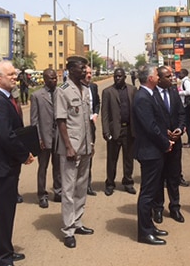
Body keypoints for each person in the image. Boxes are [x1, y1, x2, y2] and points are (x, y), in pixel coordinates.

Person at [0, 60, 35, 266]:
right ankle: (0, 257)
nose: (15, 77)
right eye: (11, 75)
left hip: (9, 165)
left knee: (8, 211)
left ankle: (6, 249)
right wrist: (24, 155)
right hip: (2, 166)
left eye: (15, 74)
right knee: (2, 213)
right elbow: (6, 136)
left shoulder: (7, 98)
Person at [55, 56, 95, 249]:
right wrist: (69, 147)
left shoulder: (86, 89)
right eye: (81, 67)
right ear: (70, 69)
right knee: (69, 190)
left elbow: (86, 121)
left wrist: (91, 143)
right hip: (71, 148)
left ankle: (78, 222)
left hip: (86, 146)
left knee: (81, 187)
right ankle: (68, 229)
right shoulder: (62, 91)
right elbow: (61, 121)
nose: (84, 70)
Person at [132, 65, 173, 245]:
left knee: (152, 190)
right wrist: (165, 143)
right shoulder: (142, 98)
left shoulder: (150, 94)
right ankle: (144, 232)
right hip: (149, 152)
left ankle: (149, 226)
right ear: (150, 78)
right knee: (147, 193)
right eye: (157, 74)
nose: (158, 76)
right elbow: (151, 127)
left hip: (154, 151)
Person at [152, 66, 186, 224]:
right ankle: (158, 208)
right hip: (159, 143)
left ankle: (175, 207)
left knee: (173, 176)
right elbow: (150, 119)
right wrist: (164, 133)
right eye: (168, 76)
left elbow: (181, 113)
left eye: (172, 75)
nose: (172, 78)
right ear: (159, 78)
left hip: (176, 142)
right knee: (158, 178)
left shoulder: (173, 91)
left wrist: (179, 129)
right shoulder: (151, 94)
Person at [101, 68, 137, 196]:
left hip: (129, 130)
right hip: (115, 130)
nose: (117, 78)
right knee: (112, 159)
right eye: (115, 76)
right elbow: (104, 114)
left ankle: (128, 182)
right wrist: (105, 130)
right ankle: (110, 183)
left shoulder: (132, 90)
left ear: (125, 77)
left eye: (120, 76)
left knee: (128, 158)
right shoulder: (108, 92)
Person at [30, 68, 62, 209]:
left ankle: (58, 191)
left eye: (55, 78)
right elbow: (34, 120)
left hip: (59, 137)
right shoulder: (37, 96)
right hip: (44, 137)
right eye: (51, 78)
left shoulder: (60, 93)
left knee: (58, 166)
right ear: (45, 79)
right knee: (43, 167)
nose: (54, 80)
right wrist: (38, 139)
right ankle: (42, 194)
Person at [81, 65, 100, 196]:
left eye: (90, 73)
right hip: (78, 127)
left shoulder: (93, 87)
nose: (89, 75)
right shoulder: (74, 88)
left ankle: (88, 185)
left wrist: (95, 114)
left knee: (89, 154)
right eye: (86, 73)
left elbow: (97, 103)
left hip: (90, 125)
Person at [178, 69, 190, 148]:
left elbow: (189, 91)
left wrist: (179, 93)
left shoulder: (186, 82)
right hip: (184, 105)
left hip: (186, 105)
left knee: (188, 124)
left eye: (180, 73)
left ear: (184, 74)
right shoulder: (183, 81)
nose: (179, 74)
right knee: (187, 124)